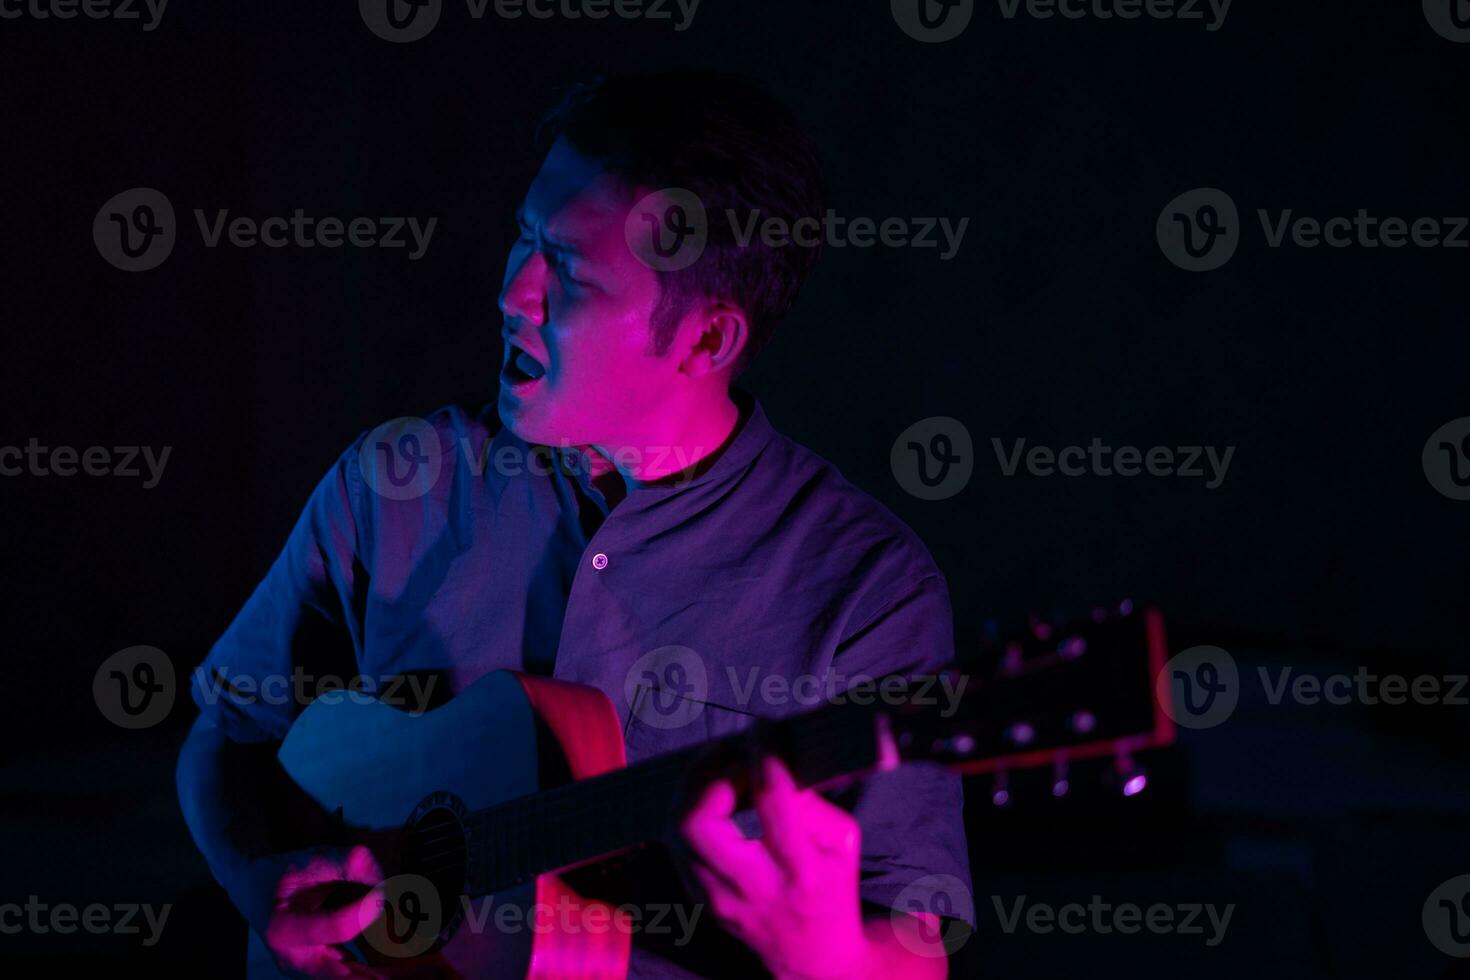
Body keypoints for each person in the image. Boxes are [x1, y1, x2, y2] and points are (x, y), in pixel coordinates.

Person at [177, 70, 972, 978]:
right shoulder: (397, 482)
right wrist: (257, 885)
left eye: (571, 273)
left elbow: (913, 945)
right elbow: (230, 729)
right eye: (525, 239)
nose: (515, 293)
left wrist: (824, 952)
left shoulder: (867, 587)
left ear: (707, 341)